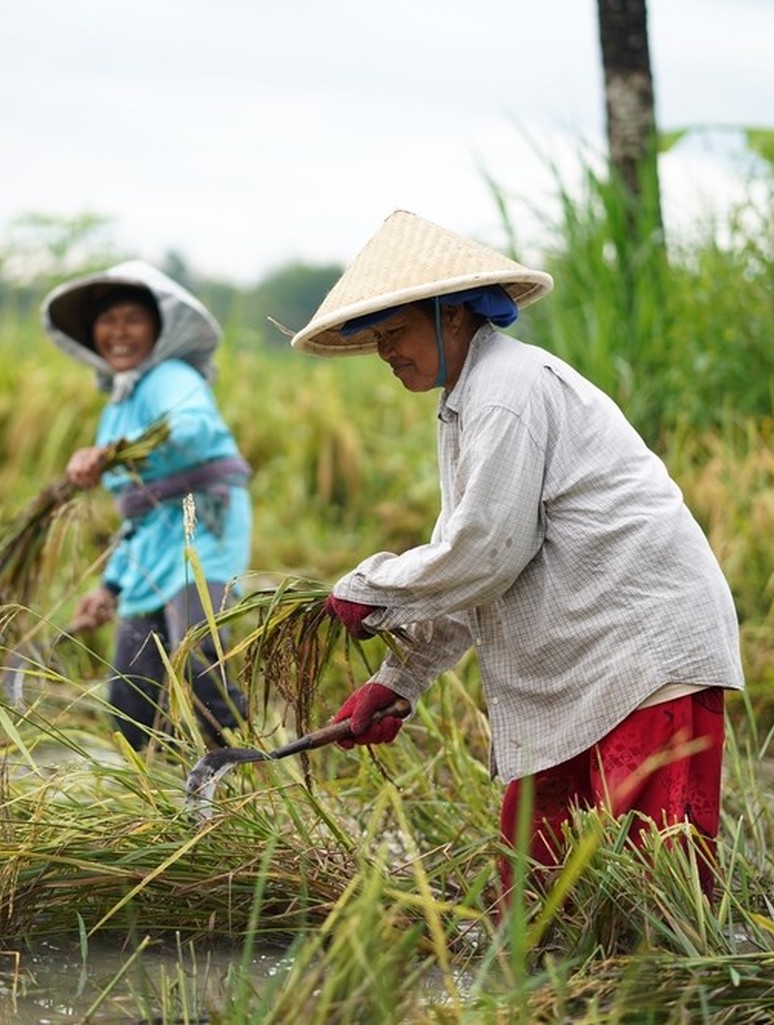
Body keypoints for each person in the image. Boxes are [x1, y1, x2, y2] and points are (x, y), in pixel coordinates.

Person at [288, 210, 745, 901]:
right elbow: (480, 567)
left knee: (656, 901)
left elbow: (481, 555)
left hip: (645, 658)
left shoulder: (507, 393)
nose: (385, 351)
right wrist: (399, 681)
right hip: (588, 666)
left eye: (396, 332)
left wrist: (372, 588)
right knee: (534, 894)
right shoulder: (467, 404)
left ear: (451, 317)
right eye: (376, 338)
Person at [42, 260, 252, 751]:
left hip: (201, 527)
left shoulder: (170, 376)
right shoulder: (116, 404)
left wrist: (112, 453)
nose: (119, 333)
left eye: (132, 320)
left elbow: (194, 428)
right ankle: (142, 798)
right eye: (108, 322)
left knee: (195, 659)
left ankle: (244, 772)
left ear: (158, 329)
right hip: (152, 544)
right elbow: (137, 514)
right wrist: (111, 586)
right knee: (129, 692)